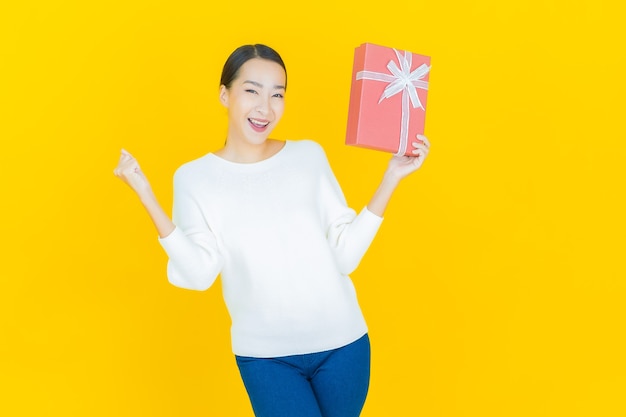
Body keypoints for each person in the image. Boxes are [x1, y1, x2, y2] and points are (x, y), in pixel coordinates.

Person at [114, 44, 430, 417]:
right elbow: (199, 274)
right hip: (266, 358)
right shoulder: (193, 178)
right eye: (252, 90)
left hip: (344, 346)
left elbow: (346, 254)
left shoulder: (308, 157)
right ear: (224, 94)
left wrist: (391, 177)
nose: (265, 107)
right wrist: (146, 194)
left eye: (277, 94)